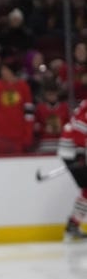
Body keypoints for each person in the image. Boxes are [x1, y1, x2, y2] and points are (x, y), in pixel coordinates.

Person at [57, 99, 87, 241]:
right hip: (72, 151)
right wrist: (81, 152)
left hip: (71, 150)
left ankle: (73, 225)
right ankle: (73, 225)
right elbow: (80, 126)